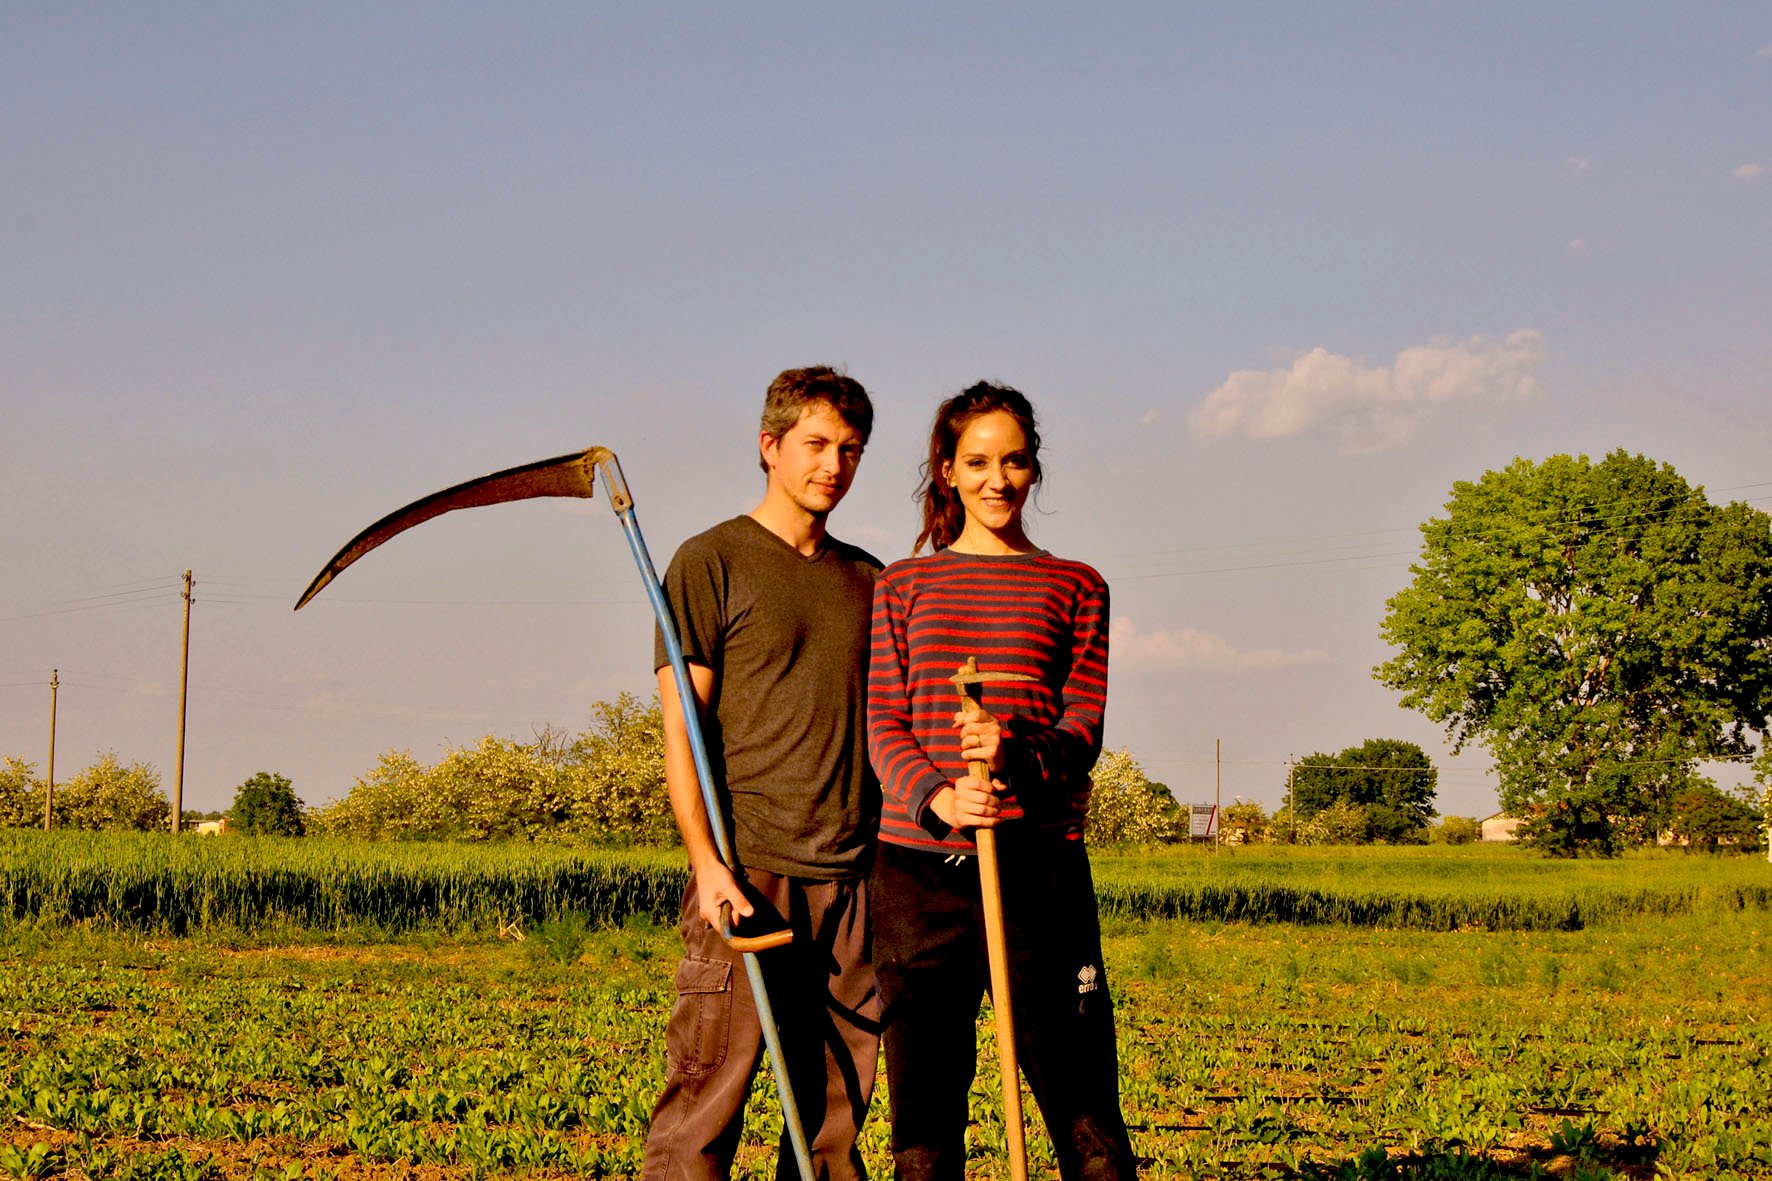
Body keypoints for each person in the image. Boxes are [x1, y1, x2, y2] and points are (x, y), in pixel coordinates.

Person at [866, 382, 1137, 1181]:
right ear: (946, 471)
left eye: (1014, 461)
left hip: (1039, 865)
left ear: (1034, 470)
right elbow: (884, 722)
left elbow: (1082, 730)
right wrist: (940, 795)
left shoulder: (1077, 585)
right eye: (977, 461)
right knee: (926, 1103)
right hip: (918, 873)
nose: (997, 478)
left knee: (1082, 1096)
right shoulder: (901, 587)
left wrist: (1014, 750)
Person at [643, 367, 883, 1181]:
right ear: (769, 446)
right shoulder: (710, 561)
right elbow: (683, 731)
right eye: (816, 444)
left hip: (851, 881)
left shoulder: (870, 581)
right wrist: (707, 864)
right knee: (707, 1100)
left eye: (850, 449)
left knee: (831, 1121)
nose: (834, 465)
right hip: (749, 876)